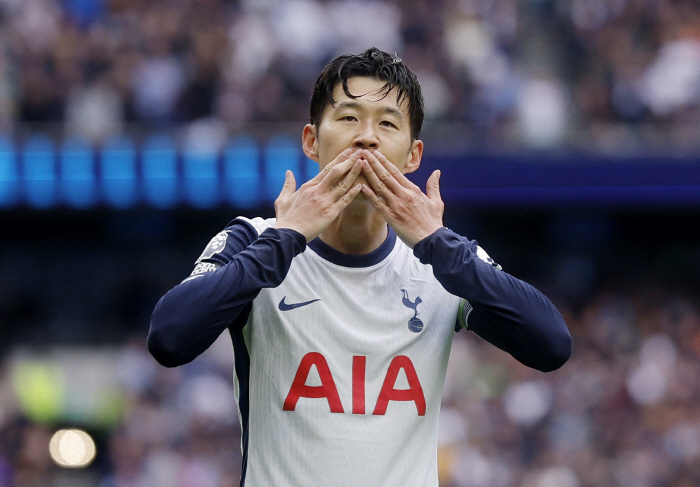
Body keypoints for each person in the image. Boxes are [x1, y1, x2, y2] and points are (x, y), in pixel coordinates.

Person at [148, 47, 572, 487]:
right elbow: (169, 337)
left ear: (413, 154)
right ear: (312, 140)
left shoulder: (442, 258)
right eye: (349, 118)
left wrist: (439, 245)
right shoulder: (255, 241)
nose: (366, 137)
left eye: (387, 123)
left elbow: (551, 344)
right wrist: (285, 239)